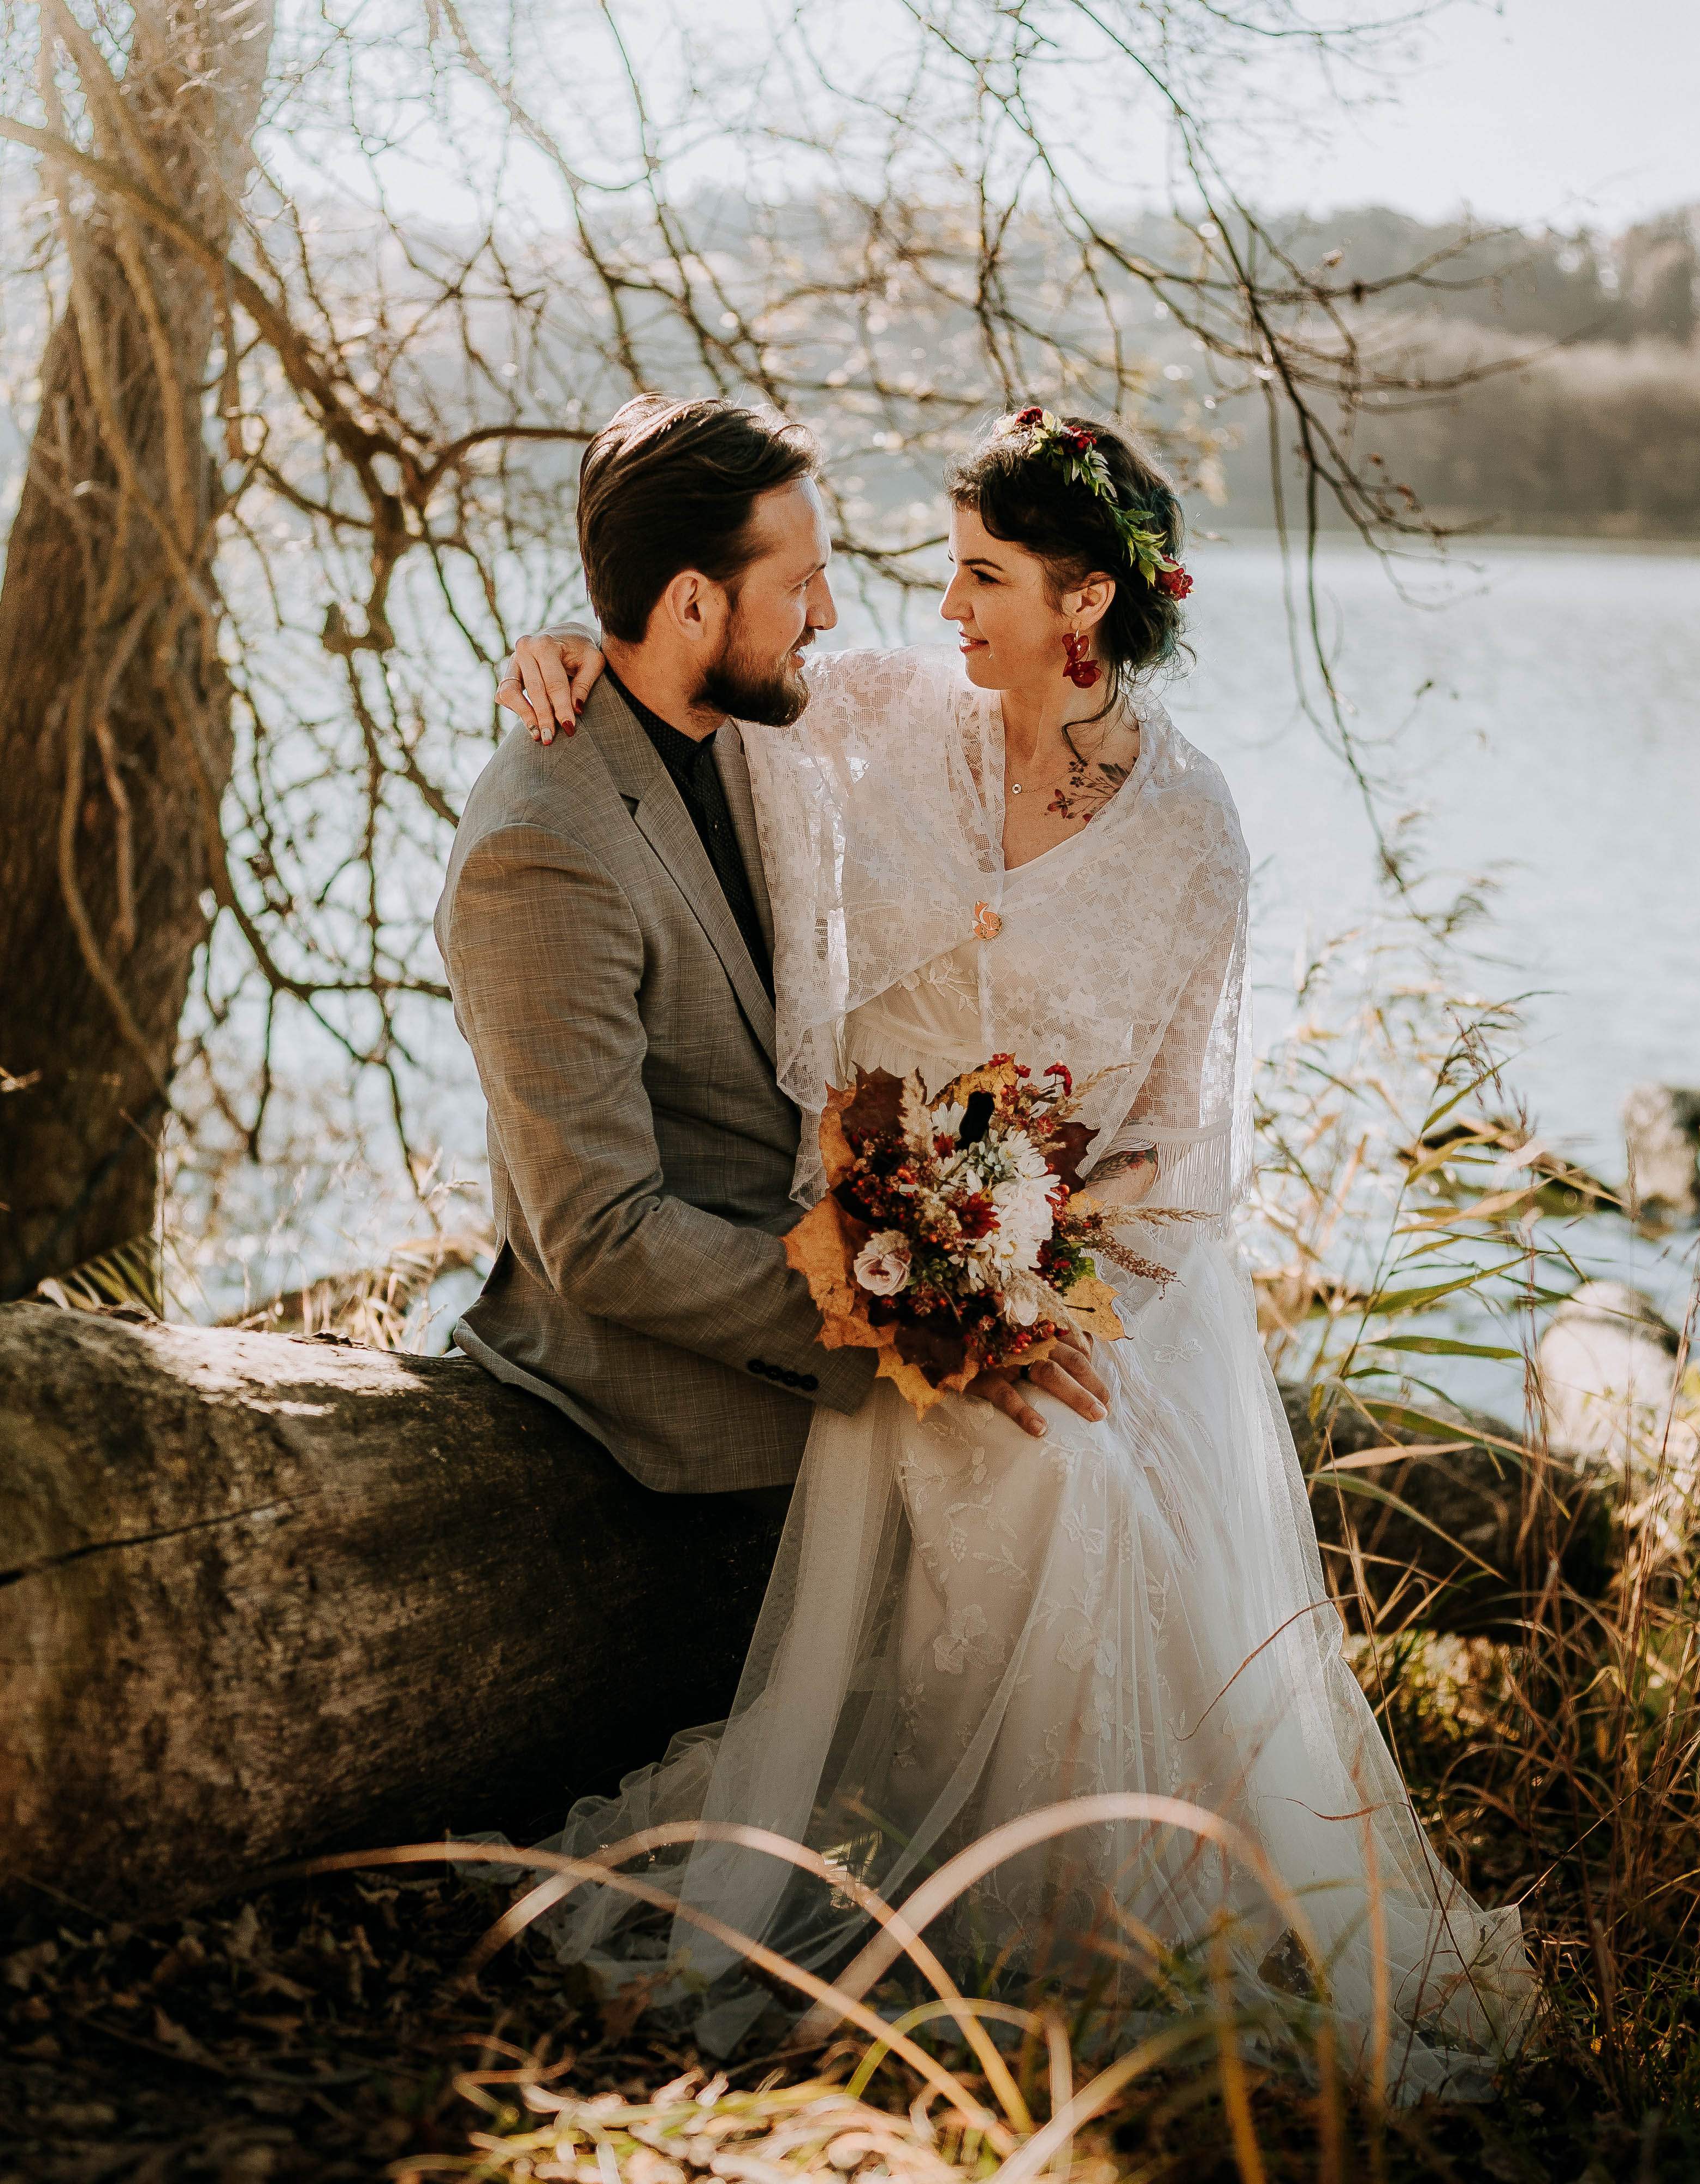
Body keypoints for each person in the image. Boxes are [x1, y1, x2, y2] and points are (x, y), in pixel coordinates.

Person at [481, 403, 1536, 2094]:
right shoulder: (889, 714)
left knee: (1078, 1474)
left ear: (1085, 602)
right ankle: (984, 1910)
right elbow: (695, 662)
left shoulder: (1192, 835)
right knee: (1023, 1470)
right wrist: (557, 646)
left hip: (1075, 1290)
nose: (939, 603)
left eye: (981, 575)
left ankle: (1099, 1928)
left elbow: (1179, 1156)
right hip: (871, 1273)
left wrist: (1029, 1289)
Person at [436, 394, 1110, 1502]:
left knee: (1090, 1465)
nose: (827, 614)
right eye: (801, 585)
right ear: (692, 602)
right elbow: (601, 1235)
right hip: (672, 1419)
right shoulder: (542, 850)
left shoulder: (746, 721)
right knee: (1047, 1484)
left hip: (819, 1332)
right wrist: (924, 1316)